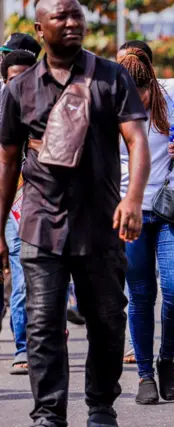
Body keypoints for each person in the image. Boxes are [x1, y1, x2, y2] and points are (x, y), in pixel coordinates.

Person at [0, 0, 152, 424]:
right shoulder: (20, 89)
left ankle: (101, 407)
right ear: (39, 26)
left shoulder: (110, 76)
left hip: (101, 223)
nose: (71, 23)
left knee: (106, 320)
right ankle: (49, 414)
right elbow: (9, 161)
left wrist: (133, 198)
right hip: (39, 224)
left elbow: (137, 141)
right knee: (43, 325)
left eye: (76, 16)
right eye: (60, 16)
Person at [117, 46, 174, 405]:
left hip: (173, 209)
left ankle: (167, 358)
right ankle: (144, 375)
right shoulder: (107, 102)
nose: (136, 99)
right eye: (129, 92)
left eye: (142, 91)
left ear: (152, 80)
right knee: (139, 295)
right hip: (130, 211)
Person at [0, 47, 39, 376]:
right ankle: (23, 347)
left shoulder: (51, 103)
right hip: (11, 203)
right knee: (21, 276)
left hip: (47, 204)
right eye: (15, 79)